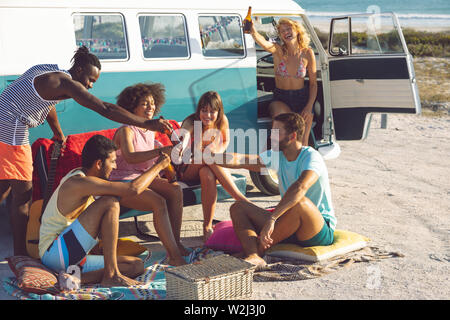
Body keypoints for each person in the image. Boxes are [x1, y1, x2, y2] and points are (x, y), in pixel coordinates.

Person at [0, 46, 173, 256]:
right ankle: (21, 257)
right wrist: (148, 124)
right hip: (10, 129)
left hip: (6, 125)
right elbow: (105, 108)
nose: (90, 86)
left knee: (4, 187)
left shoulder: (49, 73)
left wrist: (58, 132)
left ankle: (20, 255)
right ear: (79, 70)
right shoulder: (65, 83)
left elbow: (47, 103)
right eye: (90, 80)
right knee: (22, 195)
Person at [39, 134, 174, 287]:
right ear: (98, 164)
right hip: (55, 253)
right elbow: (132, 189)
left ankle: (75, 279)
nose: (115, 167)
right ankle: (111, 274)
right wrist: (159, 166)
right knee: (110, 202)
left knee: (136, 265)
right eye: (113, 162)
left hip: (72, 256)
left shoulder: (90, 181)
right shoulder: (79, 182)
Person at [210, 113, 336, 269]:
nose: (271, 135)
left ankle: (257, 250)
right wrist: (208, 157)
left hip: (316, 229)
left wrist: (273, 218)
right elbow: (242, 160)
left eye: (276, 131)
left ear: (292, 136)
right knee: (238, 207)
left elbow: (300, 187)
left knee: (300, 203)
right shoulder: (277, 155)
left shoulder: (311, 156)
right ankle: (253, 255)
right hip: (287, 225)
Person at [111, 82, 188, 266]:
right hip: (122, 180)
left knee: (176, 190)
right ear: (132, 107)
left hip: (143, 176)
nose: (150, 107)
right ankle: (174, 256)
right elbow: (130, 157)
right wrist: (159, 153)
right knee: (158, 202)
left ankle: (175, 244)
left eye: (152, 103)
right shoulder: (126, 130)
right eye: (145, 103)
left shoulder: (149, 131)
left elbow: (148, 162)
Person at [179, 91, 248, 242]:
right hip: (187, 168)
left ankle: (207, 226)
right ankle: (242, 201)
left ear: (219, 111)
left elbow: (225, 142)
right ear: (199, 110)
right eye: (204, 110)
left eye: (212, 111)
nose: (207, 115)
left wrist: (215, 151)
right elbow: (185, 144)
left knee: (207, 174)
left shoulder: (223, 120)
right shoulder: (192, 122)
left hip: (208, 167)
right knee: (207, 155)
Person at [249, 17, 317, 146]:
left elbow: (313, 84)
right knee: (282, 119)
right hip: (281, 98)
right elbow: (263, 42)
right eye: (282, 31)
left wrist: (309, 107)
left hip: (302, 98)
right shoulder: (278, 50)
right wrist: (253, 31)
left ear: (297, 30)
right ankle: (275, 150)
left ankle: (301, 159)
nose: (286, 32)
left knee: (303, 142)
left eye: (288, 29)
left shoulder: (308, 53)